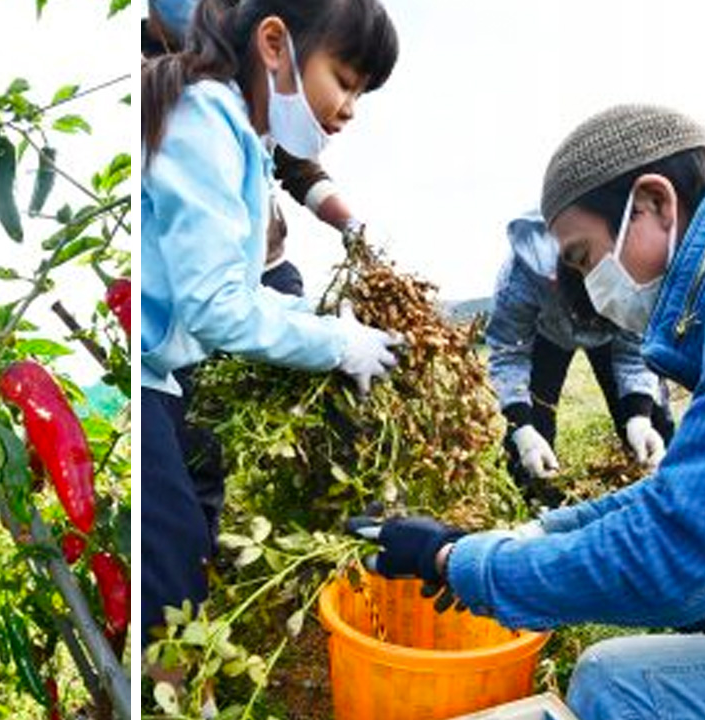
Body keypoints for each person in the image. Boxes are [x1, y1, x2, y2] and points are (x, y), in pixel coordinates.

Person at [354, 104, 705, 720]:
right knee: (607, 678)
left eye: (581, 255)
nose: (586, 280)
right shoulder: (529, 280)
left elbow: (668, 553)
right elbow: (508, 349)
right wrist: (535, 522)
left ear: (655, 204)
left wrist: (452, 560)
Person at [141, 0, 402, 641]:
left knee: (176, 557)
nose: (349, 109)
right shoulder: (205, 117)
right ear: (275, 44)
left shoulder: (243, 133)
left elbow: (238, 288)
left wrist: (319, 319)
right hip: (142, 371)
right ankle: (179, 693)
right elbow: (218, 305)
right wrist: (336, 342)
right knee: (171, 572)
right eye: (344, 81)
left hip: (161, 373)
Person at [145, 0, 372, 298]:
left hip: (264, 270)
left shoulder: (245, 72)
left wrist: (350, 224)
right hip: (192, 281)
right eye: (344, 83)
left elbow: (298, 167)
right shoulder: (157, 83)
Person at [486, 209, 674, 506]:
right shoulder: (520, 281)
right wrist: (521, 427)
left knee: (654, 422)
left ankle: (665, 485)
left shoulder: (627, 271)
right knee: (534, 432)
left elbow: (635, 350)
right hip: (546, 333)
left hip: (613, 337)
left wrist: (639, 416)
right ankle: (538, 502)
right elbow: (509, 353)